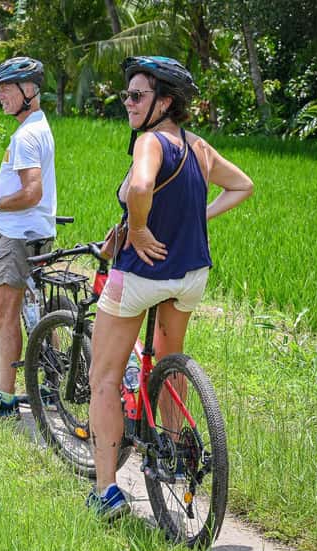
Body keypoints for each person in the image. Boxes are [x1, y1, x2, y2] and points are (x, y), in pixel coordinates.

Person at [86, 56, 253, 519]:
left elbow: (141, 188)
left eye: (137, 96)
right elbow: (242, 186)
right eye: (127, 95)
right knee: (166, 363)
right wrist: (194, 218)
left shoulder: (149, 143)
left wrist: (138, 231)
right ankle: (179, 454)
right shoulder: (200, 148)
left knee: (102, 377)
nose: (128, 103)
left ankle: (106, 492)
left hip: (140, 277)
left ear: (165, 102)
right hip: (190, 276)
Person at [0, 57, 57, 415]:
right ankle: (51, 384)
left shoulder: (26, 136)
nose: (0, 96)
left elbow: (32, 192)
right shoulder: (38, 126)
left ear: (29, 90)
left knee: (4, 314)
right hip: (34, 231)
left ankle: (4, 397)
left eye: (6, 88)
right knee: (32, 309)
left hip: (19, 235)